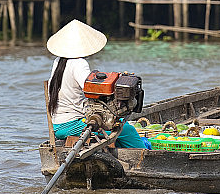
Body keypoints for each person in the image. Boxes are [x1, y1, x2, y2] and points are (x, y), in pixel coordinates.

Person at [46, 19, 149, 149]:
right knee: (127, 130)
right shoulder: (79, 63)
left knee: (117, 128)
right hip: (71, 125)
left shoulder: (58, 61)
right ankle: (145, 154)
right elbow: (92, 89)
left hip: (58, 124)